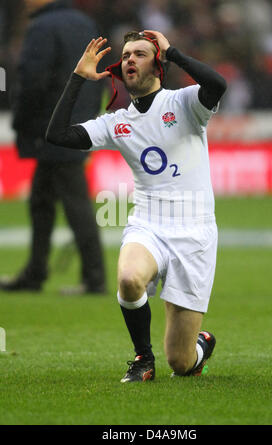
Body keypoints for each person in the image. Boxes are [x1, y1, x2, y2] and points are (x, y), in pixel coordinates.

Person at [46, 30, 227, 381]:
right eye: (126, 54)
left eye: (140, 54)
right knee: (129, 279)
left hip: (195, 232)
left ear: (158, 65)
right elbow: (57, 135)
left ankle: (200, 346)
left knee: (181, 362)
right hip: (148, 223)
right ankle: (143, 358)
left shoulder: (185, 104)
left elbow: (217, 84)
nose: (130, 59)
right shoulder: (117, 123)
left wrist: (173, 50)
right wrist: (78, 78)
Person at [0, 0, 107, 295]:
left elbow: (32, 81)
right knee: (42, 201)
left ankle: (95, 278)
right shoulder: (85, 24)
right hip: (77, 124)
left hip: (50, 128)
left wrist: (21, 120)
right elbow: (98, 78)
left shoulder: (41, 27)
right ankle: (35, 272)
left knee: (74, 203)